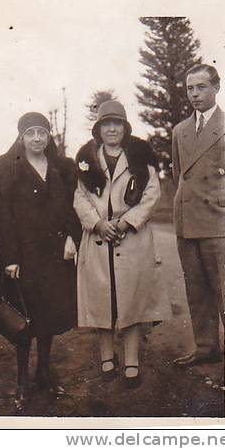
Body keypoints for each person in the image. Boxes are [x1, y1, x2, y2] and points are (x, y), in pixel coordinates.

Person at [74, 101, 166, 389]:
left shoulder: (140, 158)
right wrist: (98, 223)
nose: (111, 129)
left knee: (132, 299)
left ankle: (131, 360)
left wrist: (126, 222)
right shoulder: (87, 159)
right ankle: (106, 356)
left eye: (117, 124)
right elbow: (79, 198)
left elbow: (152, 194)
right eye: (106, 124)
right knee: (103, 298)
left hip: (132, 238)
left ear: (125, 128)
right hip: (100, 238)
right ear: (98, 129)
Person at [0, 112, 80, 409]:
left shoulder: (60, 168)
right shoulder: (9, 170)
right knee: (24, 319)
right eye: (31, 133)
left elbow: (71, 208)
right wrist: (10, 258)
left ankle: (44, 372)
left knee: (49, 316)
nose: (37, 138)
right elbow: (4, 217)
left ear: (48, 136)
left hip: (55, 255)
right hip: (24, 257)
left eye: (42, 132)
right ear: (21, 137)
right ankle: (21, 382)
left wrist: (72, 237)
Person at [171, 64, 225, 370]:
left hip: (219, 221)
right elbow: (180, 175)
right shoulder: (180, 130)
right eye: (190, 88)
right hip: (187, 219)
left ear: (216, 88)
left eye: (201, 87)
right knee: (196, 289)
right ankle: (205, 347)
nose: (194, 94)